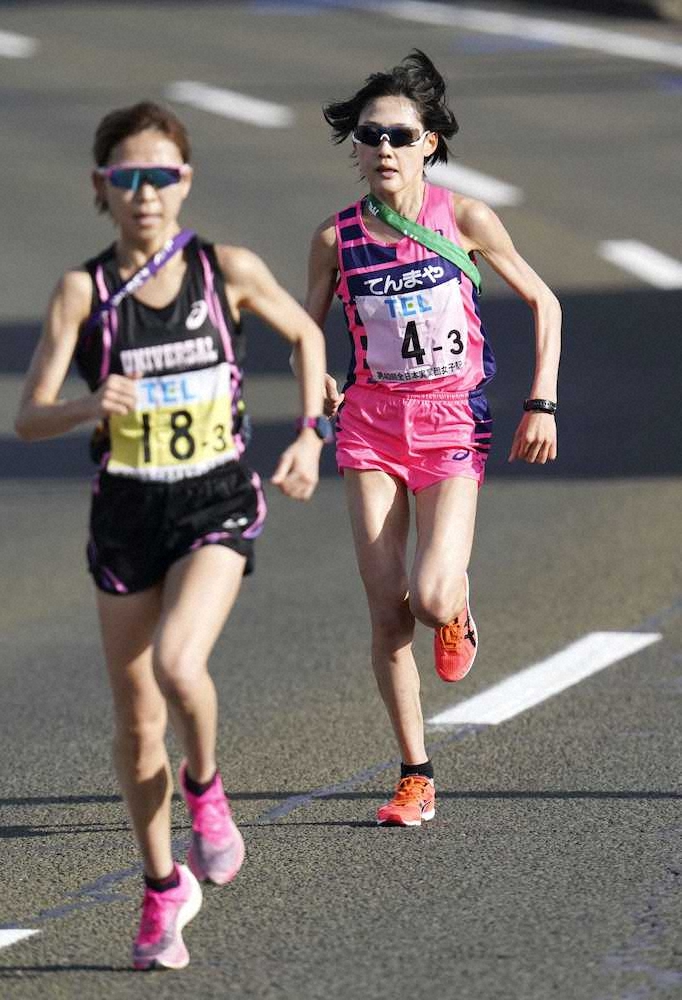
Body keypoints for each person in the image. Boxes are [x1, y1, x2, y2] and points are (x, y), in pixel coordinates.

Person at [15, 101, 329, 970]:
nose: (145, 193)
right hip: (126, 514)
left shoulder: (223, 269)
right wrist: (89, 403)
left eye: (161, 176)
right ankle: (161, 891)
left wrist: (309, 434)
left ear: (184, 182)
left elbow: (306, 335)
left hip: (214, 504)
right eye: (127, 179)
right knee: (136, 721)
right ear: (101, 188)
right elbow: (29, 417)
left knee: (178, 665)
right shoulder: (85, 292)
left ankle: (206, 789)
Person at [303, 50, 560, 828]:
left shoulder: (466, 218)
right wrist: (314, 381)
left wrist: (540, 402)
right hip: (372, 427)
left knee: (431, 595)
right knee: (387, 613)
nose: (383, 147)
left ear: (430, 144)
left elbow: (545, 303)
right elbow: (301, 329)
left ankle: (457, 606)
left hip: (452, 421)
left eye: (400, 135)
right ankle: (415, 775)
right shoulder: (336, 237)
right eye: (368, 134)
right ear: (354, 146)